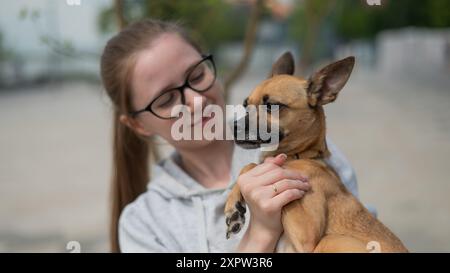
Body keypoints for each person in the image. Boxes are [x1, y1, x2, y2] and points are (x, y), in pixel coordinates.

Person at [100, 19, 359, 253]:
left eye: (197, 74)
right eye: (166, 99)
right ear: (138, 125)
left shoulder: (309, 154)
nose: (198, 101)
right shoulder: (145, 224)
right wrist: (260, 234)